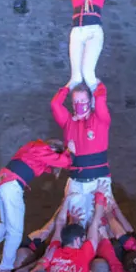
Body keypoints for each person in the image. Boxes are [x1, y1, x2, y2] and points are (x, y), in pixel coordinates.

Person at [0, 138, 73, 272]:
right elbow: (67, 162)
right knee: (15, 232)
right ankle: (5, 268)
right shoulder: (43, 150)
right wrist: (70, 151)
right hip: (11, 185)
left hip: (0, 184)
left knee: (5, 224)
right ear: (53, 150)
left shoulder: (33, 147)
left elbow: (49, 166)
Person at [51, 82, 111, 227]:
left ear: (90, 102)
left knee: (99, 225)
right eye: (76, 102)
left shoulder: (100, 119)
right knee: (75, 224)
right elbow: (55, 105)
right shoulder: (68, 122)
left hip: (97, 181)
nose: (79, 105)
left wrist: (96, 83)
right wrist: (69, 85)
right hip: (76, 182)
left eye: (83, 101)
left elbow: (101, 99)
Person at [64, 0, 109, 91]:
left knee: (88, 73)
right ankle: (60, 103)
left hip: (93, 31)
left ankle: (96, 106)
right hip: (77, 31)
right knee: (76, 77)